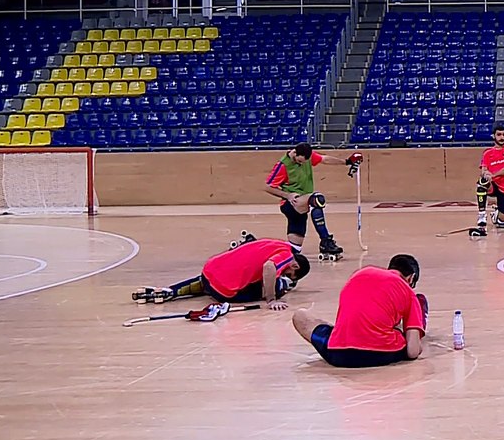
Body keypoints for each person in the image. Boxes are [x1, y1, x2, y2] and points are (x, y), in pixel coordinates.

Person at [292, 254, 428, 368]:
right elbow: (412, 352)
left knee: (301, 316)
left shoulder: (360, 273)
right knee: (417, 306)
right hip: (380, 354)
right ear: (411, 278)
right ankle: (419, 322)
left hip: (338, 354)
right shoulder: (408, 292)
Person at [132, 237, 310, 310]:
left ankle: (172, 291)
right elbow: (270, 268)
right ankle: (282, 287)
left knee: (207, 281)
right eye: (289, 275)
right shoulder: (287, 256)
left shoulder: (274, 243)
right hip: (226, 291)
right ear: (294, 267)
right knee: (275, 285)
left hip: (210, 271)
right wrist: (272, 299)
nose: (285, 273)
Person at [263, 142, 363, 261]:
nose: (302, 164)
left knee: (294, 249)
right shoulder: (283, 165)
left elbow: (324, 159)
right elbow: (268, 186)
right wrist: (287, 195)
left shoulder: (307, 157)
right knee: (317, 199)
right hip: (291, 203)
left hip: (301, 207)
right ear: (295, 153)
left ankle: (260, 249)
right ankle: (325, 241)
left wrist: (346, 162)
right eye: (300, 161)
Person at [474, 125, 504, 237]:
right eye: (499, 135)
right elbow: (483, 170)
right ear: (494, 136)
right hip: (493, 185)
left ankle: (497, 214)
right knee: (482, 183)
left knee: (502, 224)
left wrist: (492, 175)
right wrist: (486, 174)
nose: (502, 137)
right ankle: (482, 216)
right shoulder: (487, 153)